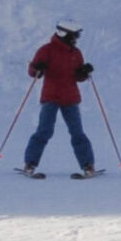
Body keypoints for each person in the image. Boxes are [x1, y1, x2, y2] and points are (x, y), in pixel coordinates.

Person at [22, 22, 97, 177]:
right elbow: (32, 71)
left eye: (77, 35)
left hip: (70, 98)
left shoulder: (76, 53)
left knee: (77, 133)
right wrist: (38, 68)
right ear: (64, 35)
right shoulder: (46, 50)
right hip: (51, 97)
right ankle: (30, 164)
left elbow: (78, 77)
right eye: (74, 35)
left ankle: (88, 166)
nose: (76, 39)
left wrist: (84, 72)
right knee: (44, 131)